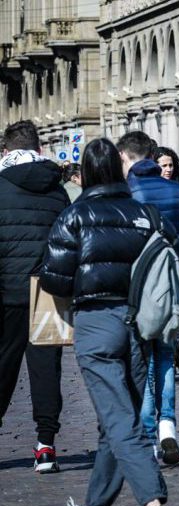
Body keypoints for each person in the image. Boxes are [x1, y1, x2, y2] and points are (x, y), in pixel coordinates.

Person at [40, 138, 168, 506]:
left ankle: (152, 498)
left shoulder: (74, 216)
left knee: (119, 419)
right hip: (138, 323)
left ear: (86, 172)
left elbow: (55, 279)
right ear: (118, 168)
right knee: (117, 416)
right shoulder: (144, 213)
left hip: (96, 323)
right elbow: (174, 262)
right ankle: (96, 504)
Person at [119, 130, 179, 465]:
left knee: (141, 362)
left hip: (135, 292)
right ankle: (168, 425)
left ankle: (146, 432)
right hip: (172, 288)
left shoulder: (125, 193)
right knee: (166, 358)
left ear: (128, 158)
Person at [0, 120, 71, 475]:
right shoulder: (57, 190)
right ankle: (46, 445)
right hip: (47, 291)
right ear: (38, 149)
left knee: (2, 367)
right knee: (46, 370)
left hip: (6, 292)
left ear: (6, 151)